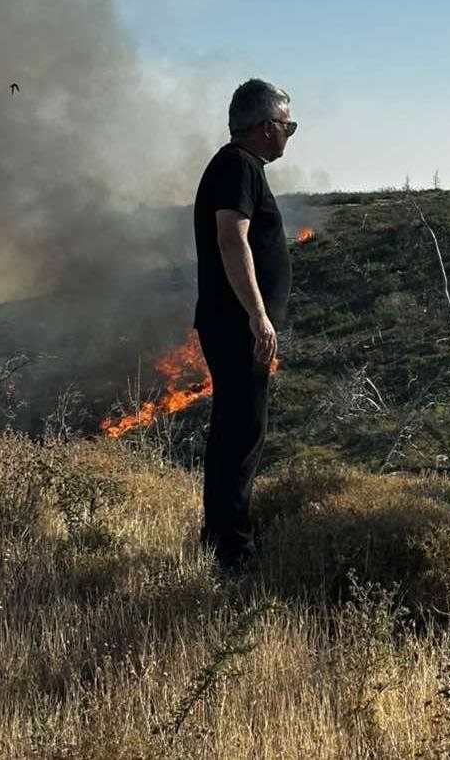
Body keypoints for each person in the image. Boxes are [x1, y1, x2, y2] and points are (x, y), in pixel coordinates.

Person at [193, 79, 295, 573]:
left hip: (234, 324)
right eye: (287, 125)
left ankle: (219, 538)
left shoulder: (239, 165)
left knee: (235, 428)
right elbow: (232, 241)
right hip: (237, 327)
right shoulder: (236, 166)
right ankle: (231, 550)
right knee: (242, 430)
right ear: (264, 127)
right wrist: (258, 317)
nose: (290, 135)